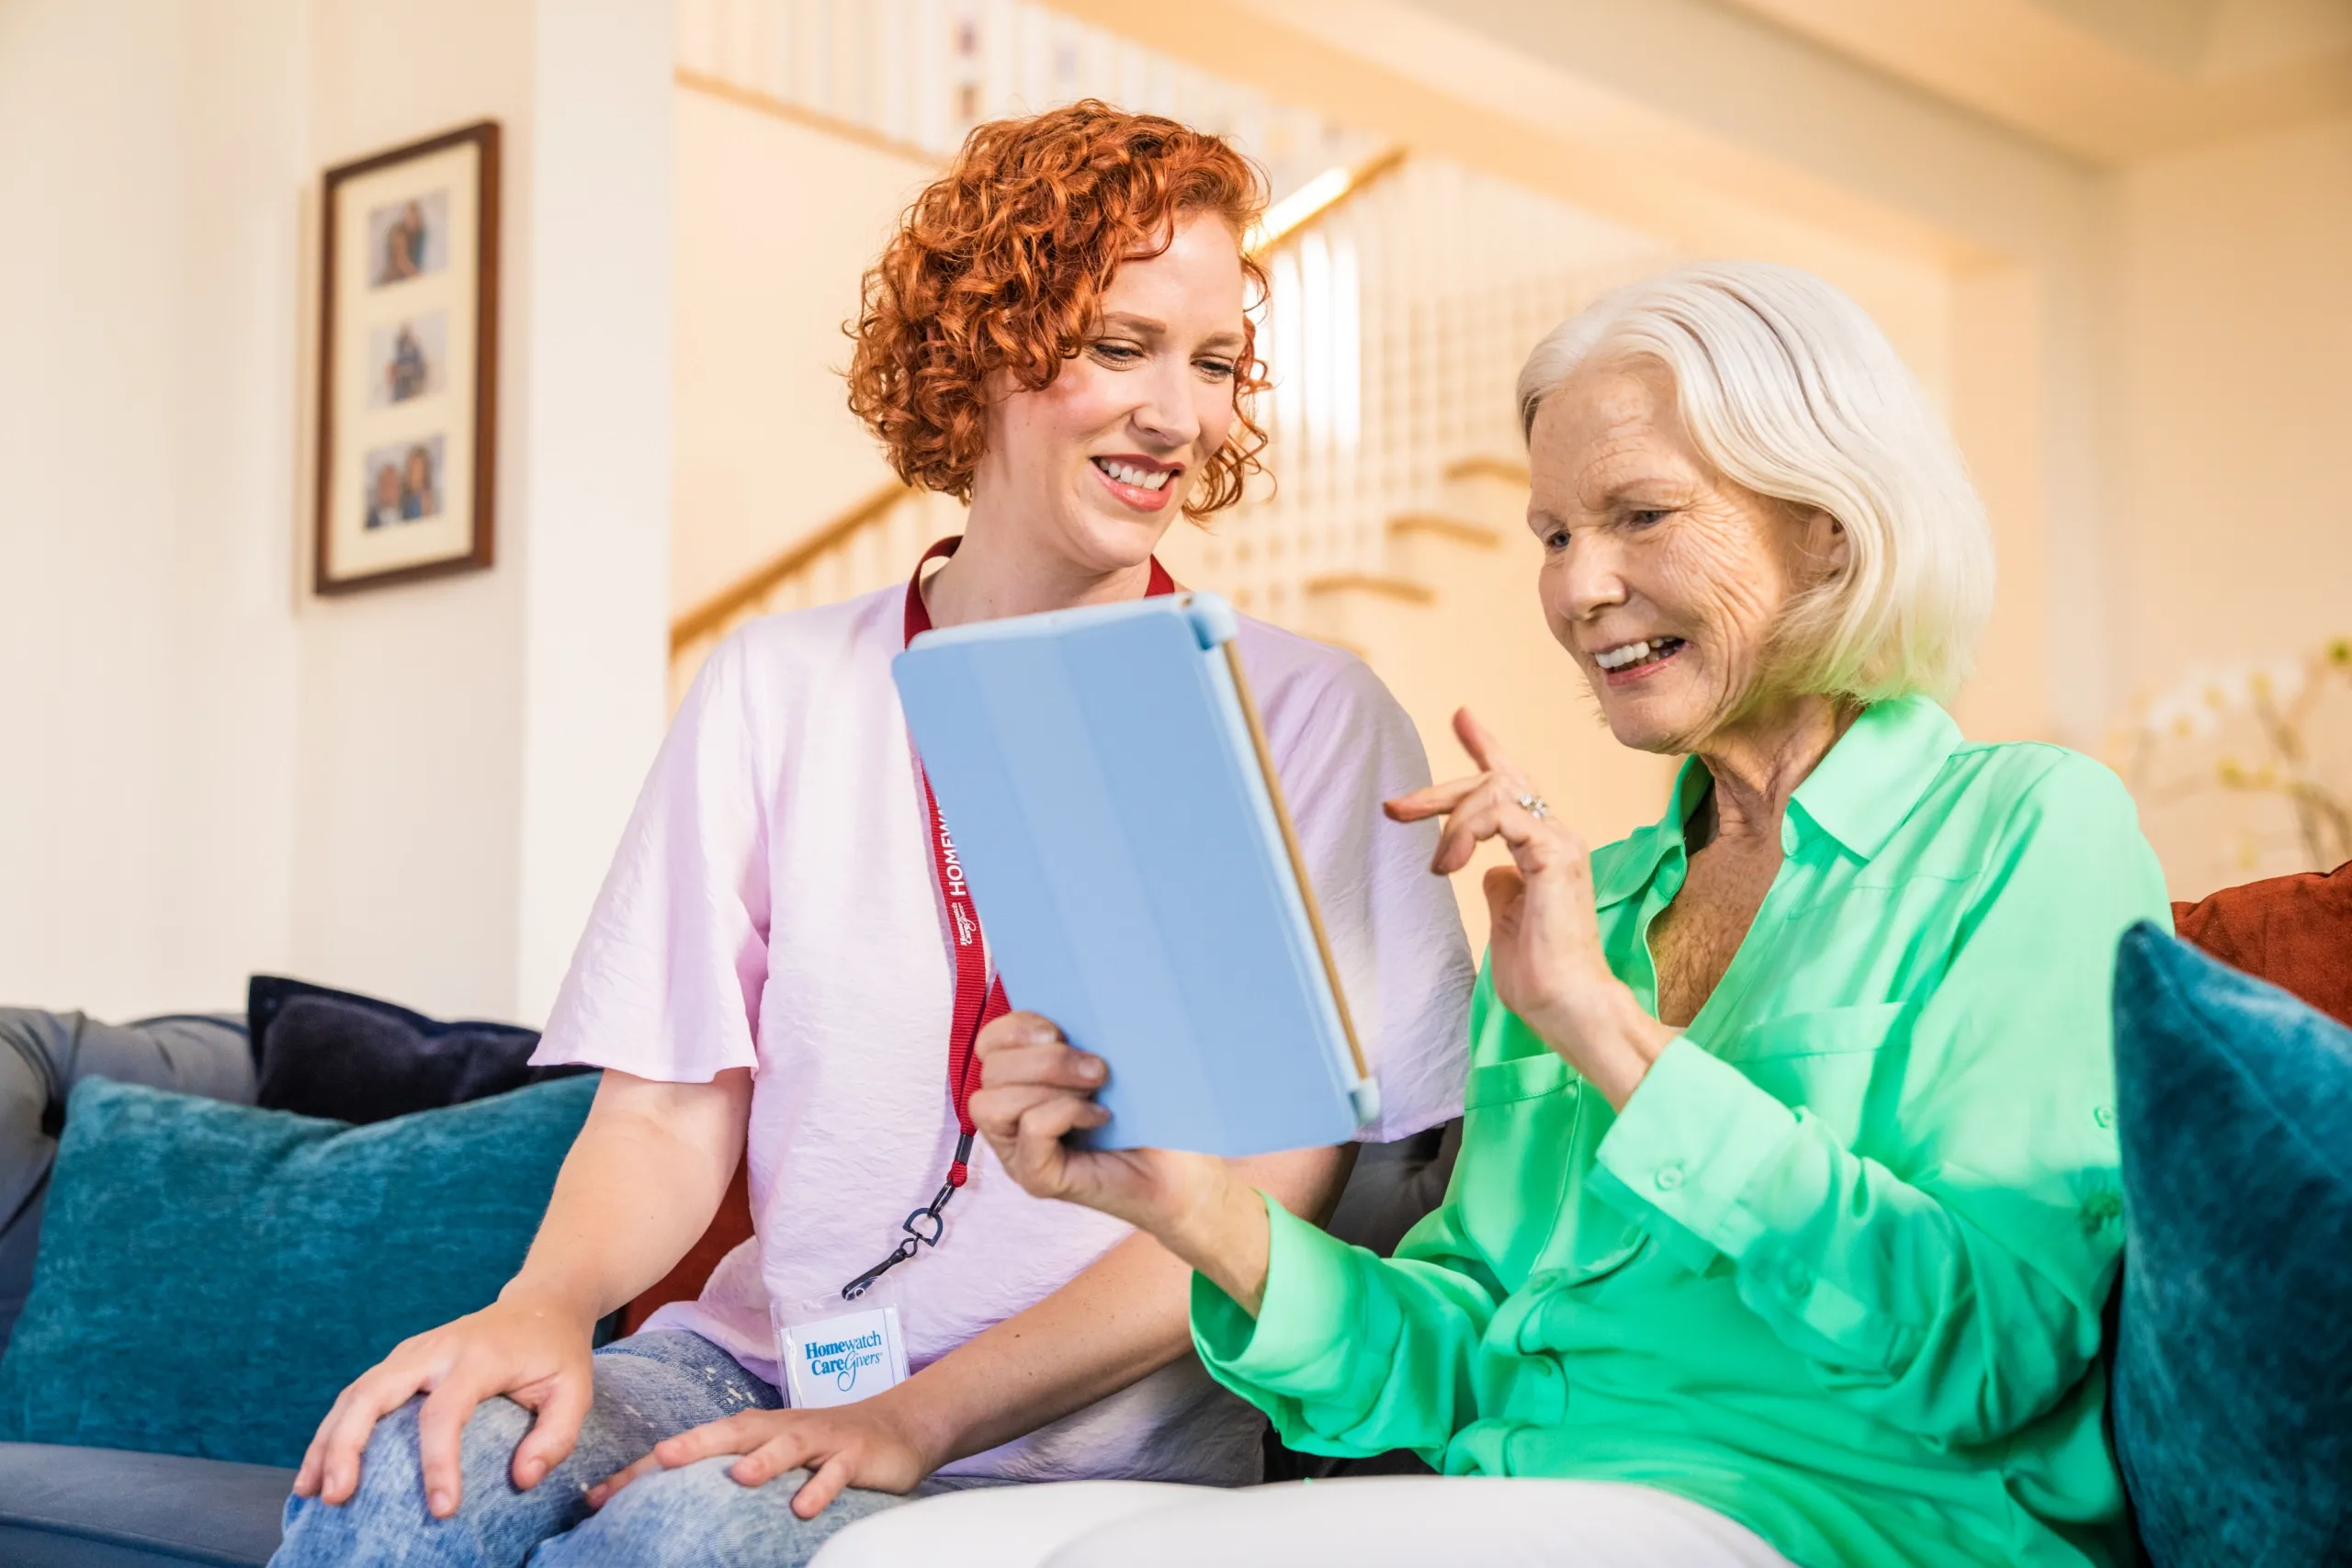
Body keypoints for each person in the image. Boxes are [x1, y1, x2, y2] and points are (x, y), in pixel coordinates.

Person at [271, 102, 1473, 1568]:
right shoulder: (778, 685)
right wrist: (539, 1309)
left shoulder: (1300, 716)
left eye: (1214, 362)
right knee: (407, 1456)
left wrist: (919, 1416)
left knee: (691, 1534)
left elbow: (1283, 1194)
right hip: (760, 1364)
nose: (1183, 412)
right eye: (1119, 345)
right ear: (982, 348)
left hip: (1081, 1445)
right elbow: (665, 1109)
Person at [842, 261, 2171, 1568]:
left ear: (1828, 525)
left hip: (1844, 1517)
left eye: (1640, 514)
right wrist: (1191, 1207)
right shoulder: (1599, 902)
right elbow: (1460, 1360)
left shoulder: (2028, 827)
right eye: (1552, 534)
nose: (1578, 587)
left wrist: (1601, 1029)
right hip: (1531, 1495)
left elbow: (1994, 1350)